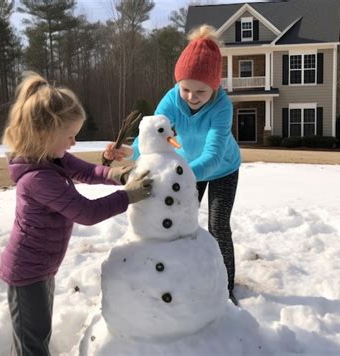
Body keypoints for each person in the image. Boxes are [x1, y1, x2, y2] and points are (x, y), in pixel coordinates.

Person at [0, 71, 153, 356]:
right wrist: (128, 196)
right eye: (69, 136)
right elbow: (86, 212)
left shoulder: (50, 157)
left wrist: (117, 174)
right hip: (27, 271)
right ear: (43, 134)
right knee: (32, 344)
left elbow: (86, 170)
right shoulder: (37, 179)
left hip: (41, 266)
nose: (73, 143)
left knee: (35, 336)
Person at [103, 25, 241, 305]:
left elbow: (214, 155)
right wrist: (128, 152)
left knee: (218, 224)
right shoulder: (170, 101)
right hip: (189, 167)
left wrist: (181, 175)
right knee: (182, 221)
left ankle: (225, 289)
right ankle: (187, 280)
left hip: (223, 168)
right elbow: (153, 140)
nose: (191, 96)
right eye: (186, 88)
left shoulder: (222, 107)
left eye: (200, 90)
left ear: (214, 85)